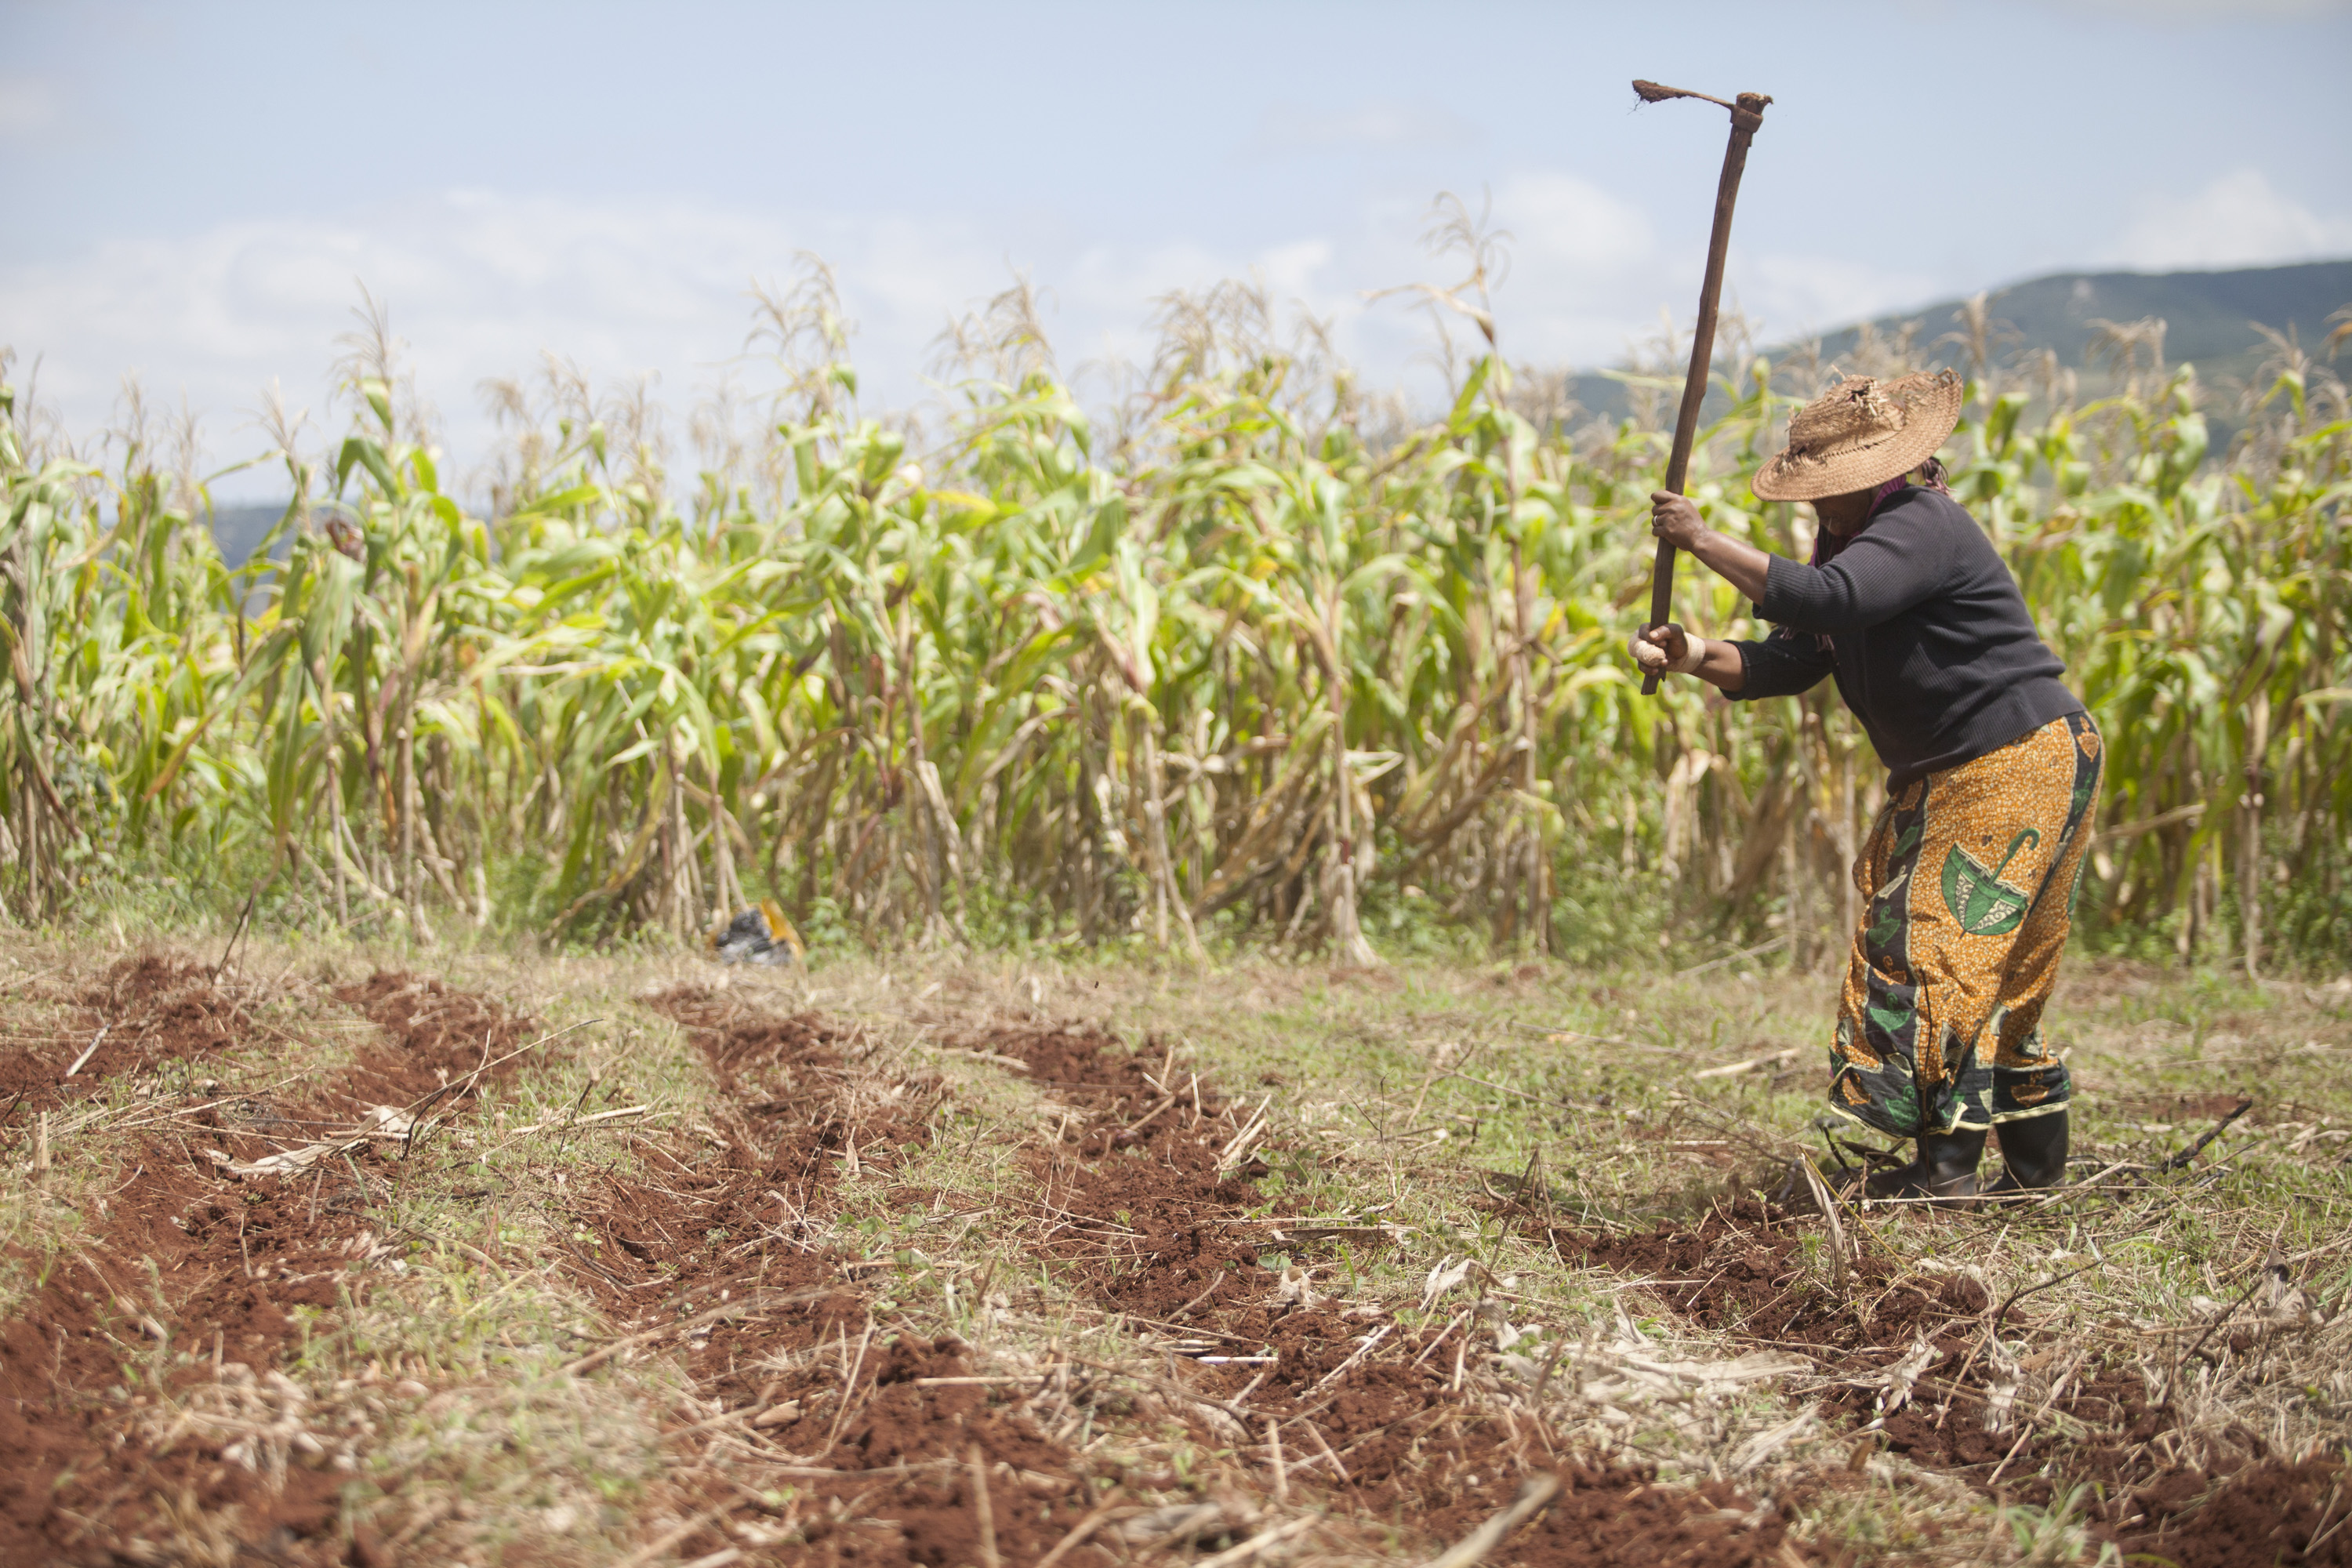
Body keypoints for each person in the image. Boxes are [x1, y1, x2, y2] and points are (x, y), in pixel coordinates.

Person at [1631, 369, 2100, 1200]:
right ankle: (2031, 1181)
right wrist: (1693, 653)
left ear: (1871, 476)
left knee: (1935, 955)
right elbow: (1793, 656)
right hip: (1973, 767)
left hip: (2012, 758)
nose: (1818, 505)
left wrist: (1701, 540)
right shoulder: (1847, 545)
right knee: (1979, 971)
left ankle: (1944, 1173)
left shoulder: (1922, 525)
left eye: (1829, 489)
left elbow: (1832, 601)